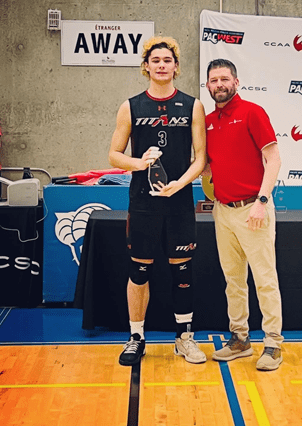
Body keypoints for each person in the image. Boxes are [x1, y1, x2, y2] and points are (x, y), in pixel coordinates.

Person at [109, 36, 207, 366]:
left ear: (176, 67)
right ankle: (136, 337)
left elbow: (201, 158)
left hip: (178, 202)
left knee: (183, 270)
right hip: (143, 203)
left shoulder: (193, 105)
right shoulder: (131, 106)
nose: (162, 65)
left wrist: (179, 183)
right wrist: (141, 163)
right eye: (156, 60)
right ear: (146, 66)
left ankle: (185, 338)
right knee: (139, 271)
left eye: (168, 60)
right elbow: (114, 155)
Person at [204, 59, 284, 371]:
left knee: (265, 279)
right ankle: (240, 339)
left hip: (254, 208)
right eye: (214, 80)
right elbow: (208, 165)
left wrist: (262, 201)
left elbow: (273, 158)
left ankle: (273, 344)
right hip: (223, 212)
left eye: (225, 78)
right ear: (208, 86)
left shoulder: (253, 112)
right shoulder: (209, 121)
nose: (219, 84)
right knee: (234, 280)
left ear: (236, 82)